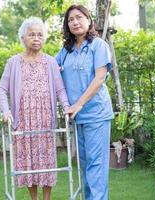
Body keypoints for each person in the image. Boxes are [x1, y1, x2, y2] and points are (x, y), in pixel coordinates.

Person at [0, 17, 69, 200]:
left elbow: (60, 89)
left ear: (44, 38)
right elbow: (2, 89)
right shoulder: (13, 62)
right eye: (31, 34)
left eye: (39, 34)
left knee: (46, 163)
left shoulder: (51, 62)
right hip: (23, 121)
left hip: (45, 120)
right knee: (28, 165)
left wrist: (67, 108)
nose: (36, 38)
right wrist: (6, 111)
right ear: (23, 38)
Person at [56, 5, 114, 200]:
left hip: (96, 114)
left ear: (89, 20)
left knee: (96, 165)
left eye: (79, 17)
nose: (74, 22)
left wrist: (79, 104)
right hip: (76, 117)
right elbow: (50, 71)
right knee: (84, 164)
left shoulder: (99, 46)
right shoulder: (66, 51)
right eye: (70, 19)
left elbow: (99, 79)